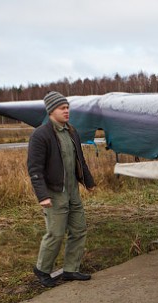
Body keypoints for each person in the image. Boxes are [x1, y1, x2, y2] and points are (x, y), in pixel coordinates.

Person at [27, 91, 96, 287]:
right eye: (62, 108)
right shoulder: (41, 135)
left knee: (79, 229)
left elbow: (79, 161)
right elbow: (35, 169)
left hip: (73, 191)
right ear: (51, 111)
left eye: (67, 108)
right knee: (55, 233)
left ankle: (71, 269)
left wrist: (88, 182)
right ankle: (42, 270)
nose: (67, 111)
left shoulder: (72, 131)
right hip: (54, 193)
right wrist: (42, 195)